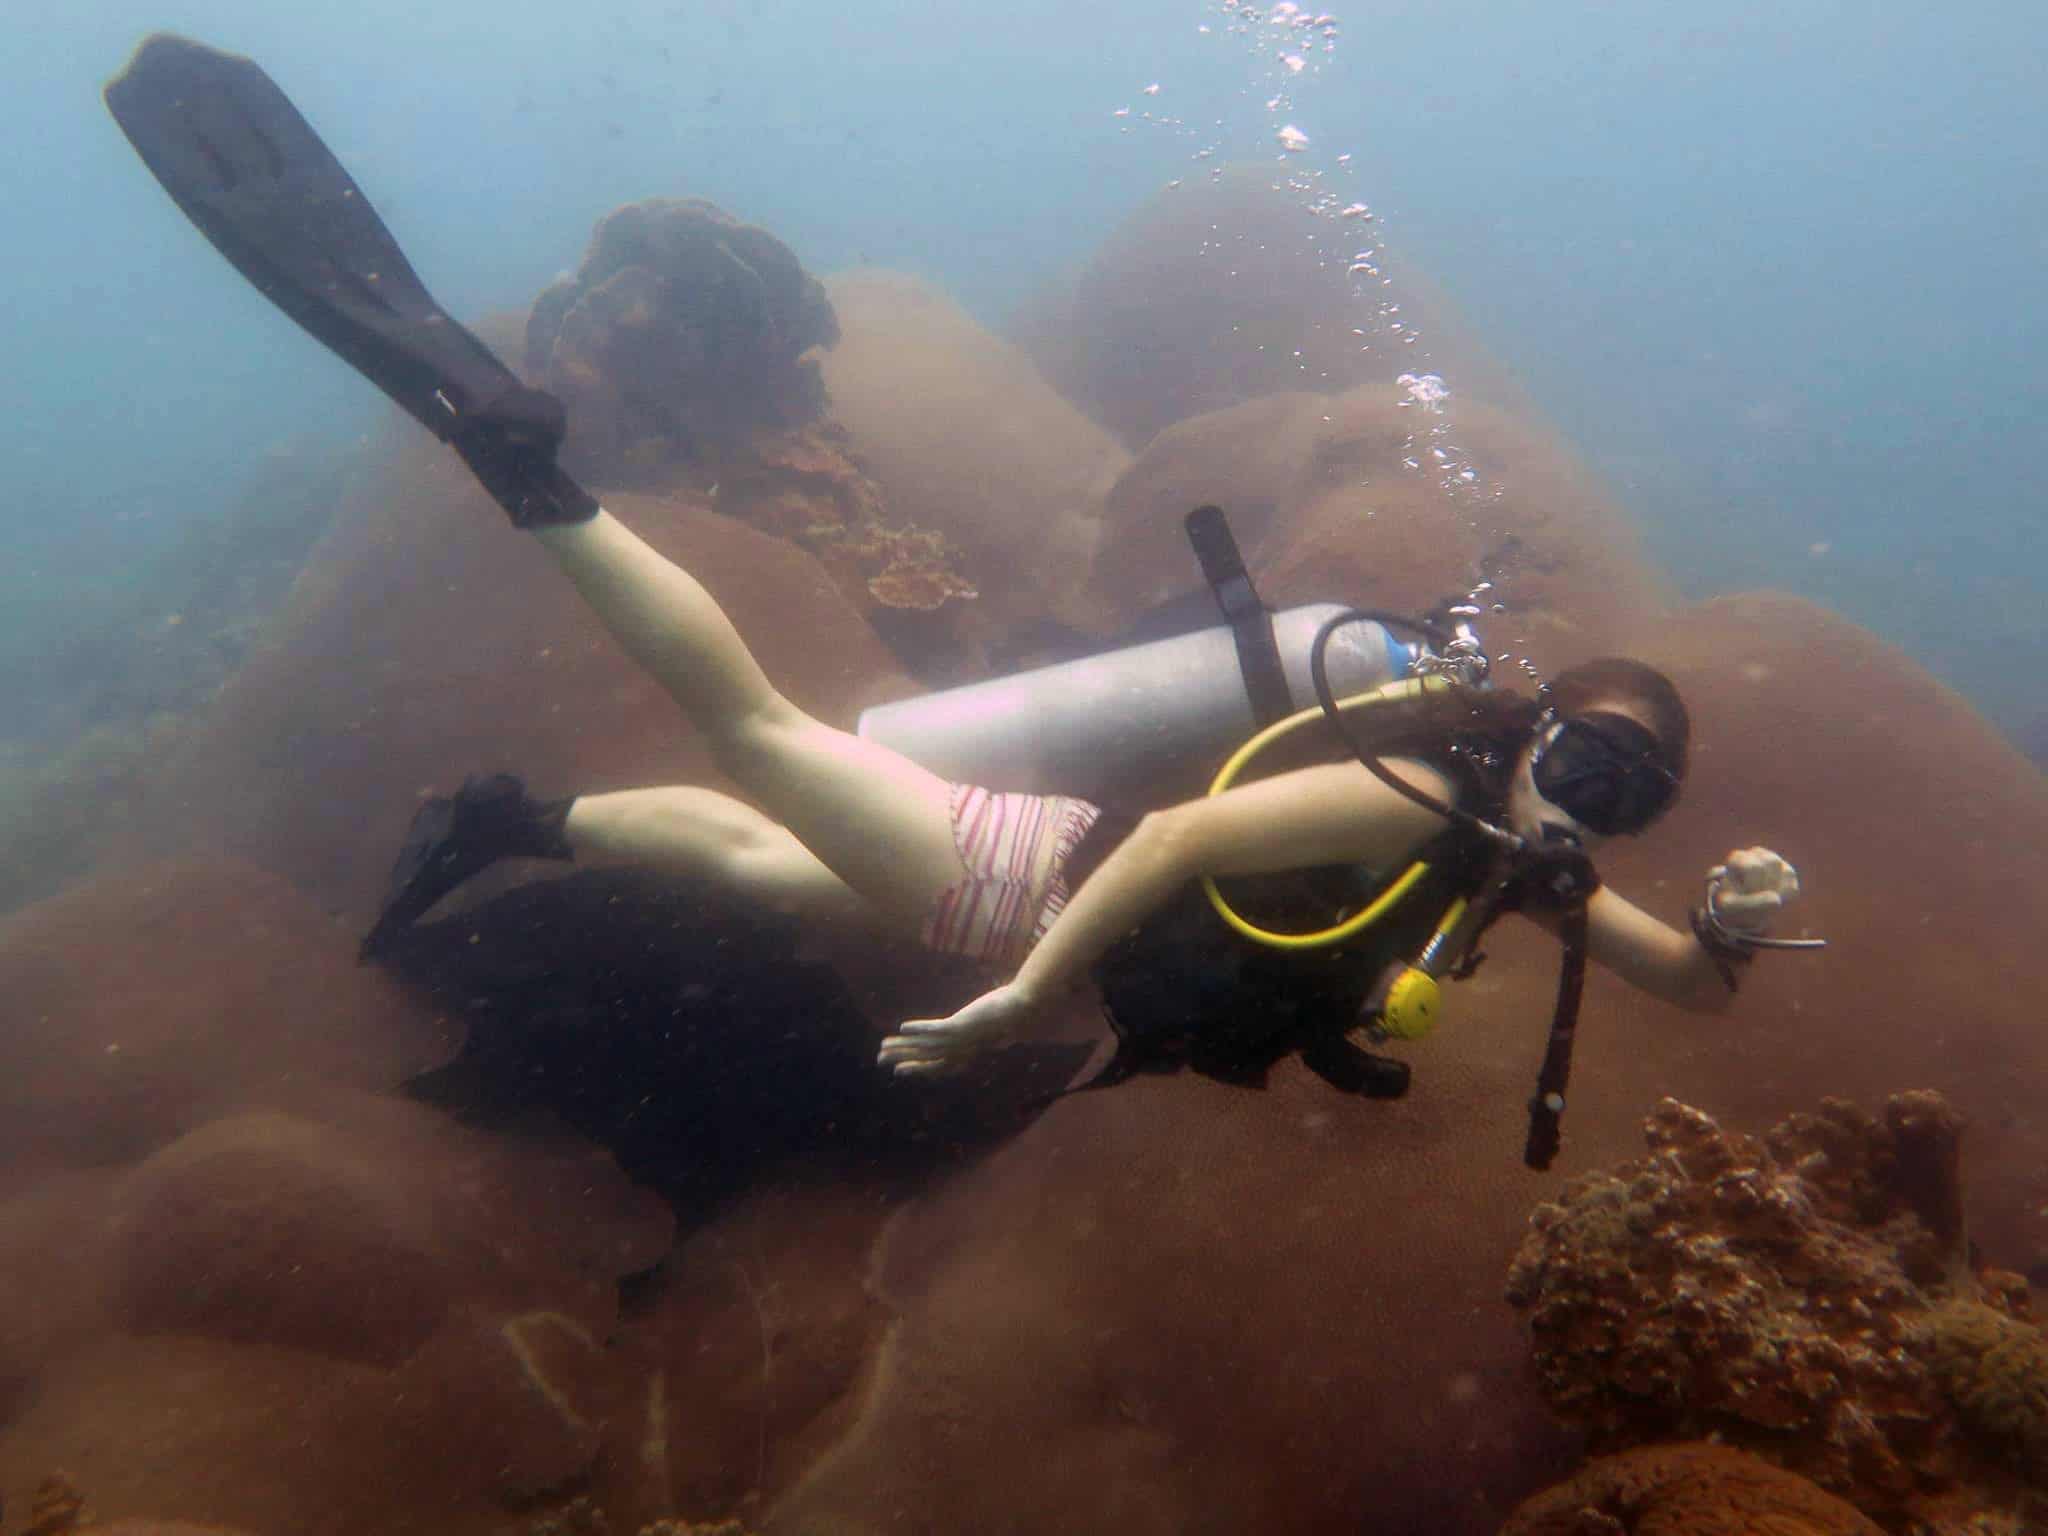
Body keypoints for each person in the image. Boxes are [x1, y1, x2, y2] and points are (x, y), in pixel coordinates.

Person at [106, 31, 1810, 1112]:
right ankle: (529, 472)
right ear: (1534, 726)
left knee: (773, 873)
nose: (1590, 802)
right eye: (1585, 759)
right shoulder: (1434, 798)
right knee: (761, 733)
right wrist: (1021, 996)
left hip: (1047, 906)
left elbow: (1681, 988)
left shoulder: (1521, 860)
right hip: (1033, 893)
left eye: (1625, 797)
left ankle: (514, 820)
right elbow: (1200, 837)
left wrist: (1725, 938)